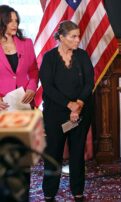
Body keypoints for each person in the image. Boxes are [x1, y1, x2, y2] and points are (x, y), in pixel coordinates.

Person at [40, 21, 94, 202]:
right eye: (73, 36)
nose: (78, 39)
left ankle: (78, 193)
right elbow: (48, 87)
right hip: (56, 113)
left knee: (77, 153)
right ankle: (49, 194)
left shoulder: (83, 56)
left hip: (81, 112)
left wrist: (78, 104)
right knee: (53, 154)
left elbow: (89, 83)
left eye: (78, 36)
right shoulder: (49, 58)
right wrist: (69, 105)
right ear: (61, 38)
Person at [0, 5, 39, 202]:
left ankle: (23, 196)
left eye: (16, 20)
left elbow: (33, 70)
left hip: (23, 107)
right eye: (10, 20)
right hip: (3, 109)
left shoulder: (26, 43)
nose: (14, 24)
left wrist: (32, 87)